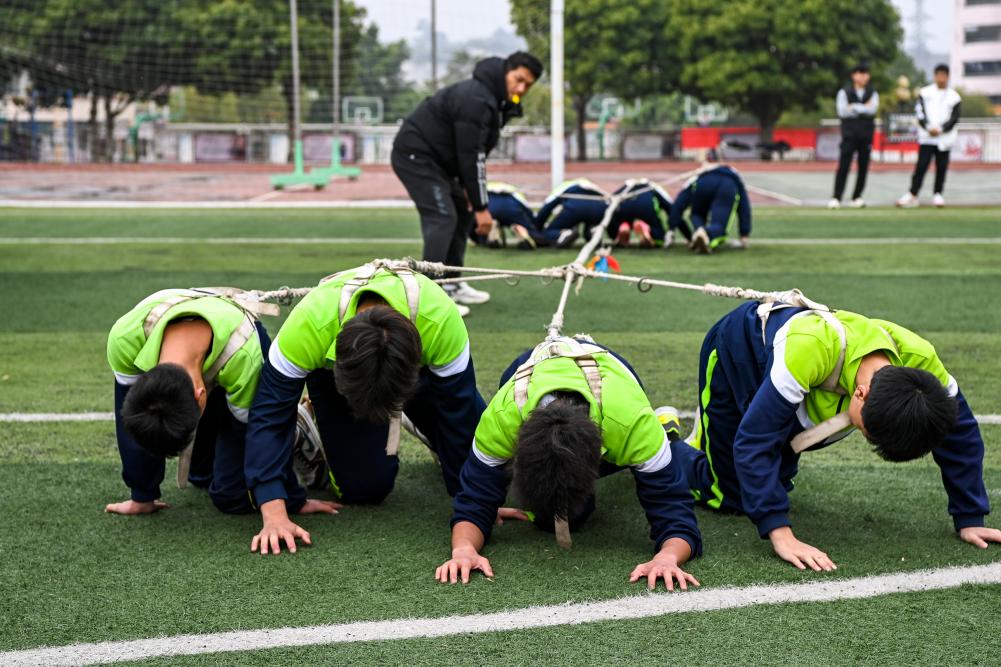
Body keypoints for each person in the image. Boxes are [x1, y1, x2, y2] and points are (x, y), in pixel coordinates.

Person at [671, 299, 1000, 571]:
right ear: (861, 393)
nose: (865, 437)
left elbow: (960, 430)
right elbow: (755, 440)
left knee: (772, 480)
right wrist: (780, 533)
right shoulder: (809, 349)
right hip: (737, 352)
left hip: (798, 390)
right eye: (868, 433)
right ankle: (666, 442)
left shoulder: (921, 361)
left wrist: (969, 515)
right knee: (729, 494)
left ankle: (714, 450)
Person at [244, 262, 486, 555]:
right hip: (335, 374)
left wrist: (475, 503)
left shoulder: (439, 319)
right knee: (365, 489)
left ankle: (429, 428)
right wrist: (274, 513)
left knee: (477, 447)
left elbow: (460, 412)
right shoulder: (310, 324)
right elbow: (270, 412)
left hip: (420, 370)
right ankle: (308, 423)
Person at [436, 336, 702, 590]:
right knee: (556, 518)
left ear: (598, 462)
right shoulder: (503, 418)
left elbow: (674, 512)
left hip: (614, 375)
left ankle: (667, 437)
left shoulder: (631, 424)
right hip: (527, 367)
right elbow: (473, 501)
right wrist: (464, 549)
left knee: (581, 509)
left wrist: (668, 556)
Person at [105, 289, 336, 519]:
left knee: (232, 497)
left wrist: (291, 498)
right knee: (202, 476)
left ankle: (297, 431)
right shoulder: (125, 339)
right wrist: (141, 495)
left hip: (237, 345)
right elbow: (136, 424)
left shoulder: (245, 356)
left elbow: (264, 430)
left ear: (200, 394)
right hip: (202, 345)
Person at [391, 51, 543, 309]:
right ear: (506, 71)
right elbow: (471, 155)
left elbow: (473, 154)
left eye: (527, 85)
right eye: (518, 79)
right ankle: (429, 297)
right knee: (443, 217)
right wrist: (482, 207)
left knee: (462, 212)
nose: (521, 88)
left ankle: (451, 283)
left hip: (441, 161)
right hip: (416, 155)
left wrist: (472, 197)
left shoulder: (497, 102)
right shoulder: (477, 99)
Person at [897, 64, 962, 209]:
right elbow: (919, 113)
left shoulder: (954, 96)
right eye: (938, 75)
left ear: (948, 76)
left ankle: (938, 194)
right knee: (921, 166)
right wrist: (928, 127)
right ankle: (913, 194)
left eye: (944, 75)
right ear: (934, 76)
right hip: (926, 137)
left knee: (941, 167)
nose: (941, 78)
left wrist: (941, 129)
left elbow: (955, 117)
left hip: (945, 138)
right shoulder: (925, 92)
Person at [829, 63, 879, 209]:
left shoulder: (872, 92)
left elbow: (873, 110)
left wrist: (854, 107)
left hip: (866, 135)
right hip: (849, 135)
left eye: (866, 73)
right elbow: (843, 111)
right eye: (860, 73)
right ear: (854, 75)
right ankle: (836, 197)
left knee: (863, 167)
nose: (864, 76)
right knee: (843, 166)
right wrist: (863, 107)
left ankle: (857, 196)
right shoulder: (844, 92)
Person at [669, 165, 751, 253]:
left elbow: (679, 202)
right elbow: (744, 206)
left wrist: (671, 229)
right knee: (719, 224)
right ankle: (707, 233)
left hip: (702, 184)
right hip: (726, 185)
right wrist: (744, 234)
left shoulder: (698, 176)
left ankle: (699, 231)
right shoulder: (734, 178)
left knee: (697, 213)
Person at [535, 178, 610, 249]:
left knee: (550, 231)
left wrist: (538, 226)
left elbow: (547, 208)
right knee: (590, 224)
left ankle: (562, 233)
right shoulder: (592, 185)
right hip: (599, 207)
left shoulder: (562, 187)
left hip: (575, 206)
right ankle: (593, 232)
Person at [470, 181, 545, 250]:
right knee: (534, 236)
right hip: (511, 207)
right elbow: (526, 210)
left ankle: (491, 233)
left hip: (488, 206)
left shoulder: (482, 189)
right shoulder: (514, 191)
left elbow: (470, 214)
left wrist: (475, 238)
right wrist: (534, 229)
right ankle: (520, 229)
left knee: (482, 228)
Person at [610, 178, 673, 248]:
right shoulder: (653, 187)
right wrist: (673, 229)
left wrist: (613, 230)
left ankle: (623, 227)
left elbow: (608, 204)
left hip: (624, 203)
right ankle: (646, 228)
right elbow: (672, 208)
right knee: (659, 238)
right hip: (646, 206)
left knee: (619, 217)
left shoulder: (623, 188)